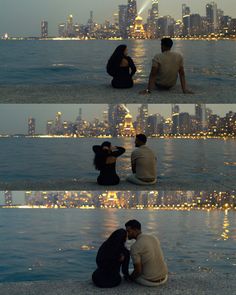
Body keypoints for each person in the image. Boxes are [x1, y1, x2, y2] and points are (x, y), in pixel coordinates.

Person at [125, 219, 168, 287]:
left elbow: (138, 272)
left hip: (150, 281)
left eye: (128, 231)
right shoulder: (153, 237)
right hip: (164, 277)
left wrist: (129, 279)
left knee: (130, 272)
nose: (126, 234)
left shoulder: (134, 247)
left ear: (135, 230)